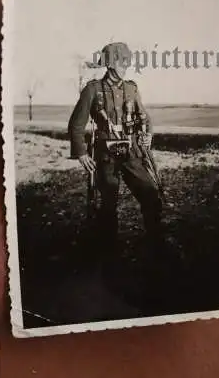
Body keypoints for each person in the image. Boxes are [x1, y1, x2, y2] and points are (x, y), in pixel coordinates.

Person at [68, 42, 163, 268]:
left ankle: (156, 242)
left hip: (131, 152)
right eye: (122, 62)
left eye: (127, 62)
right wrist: (81, 153)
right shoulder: (93, 89)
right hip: (105, 156)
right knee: (107, 205)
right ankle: (109, 254)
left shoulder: (132, 88)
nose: (126, 66)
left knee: (151, 193)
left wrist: (148, 135)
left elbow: (145, 117)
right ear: (110, 63)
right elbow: (76, 125)